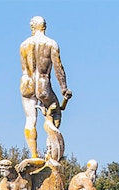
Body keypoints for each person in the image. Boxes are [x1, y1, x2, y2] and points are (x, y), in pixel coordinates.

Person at [20, 16, 71, 160]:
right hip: (43, 82)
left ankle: (34, 154)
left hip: (27, 82)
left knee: (30, 119)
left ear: (32, 27)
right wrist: (64, 88)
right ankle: (51, 149)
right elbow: (58, 67)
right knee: (55, 113)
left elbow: (24, 67)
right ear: (45, 27)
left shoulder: (24, 45)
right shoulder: (51, 44)